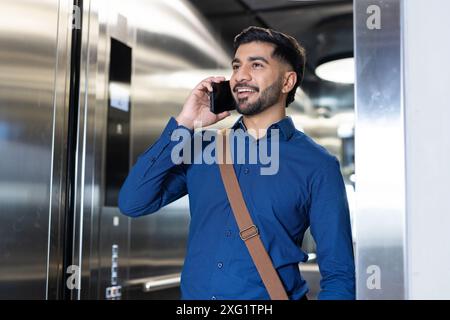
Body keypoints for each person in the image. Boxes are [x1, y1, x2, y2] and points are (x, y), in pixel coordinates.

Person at [118, 26, 355, 300]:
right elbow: (133, 202)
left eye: (256, 65)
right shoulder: (202, 147)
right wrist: (184, 124)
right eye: (236, 66)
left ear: (287, 82)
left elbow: (339, 276)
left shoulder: (318, 165)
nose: (240, 76)